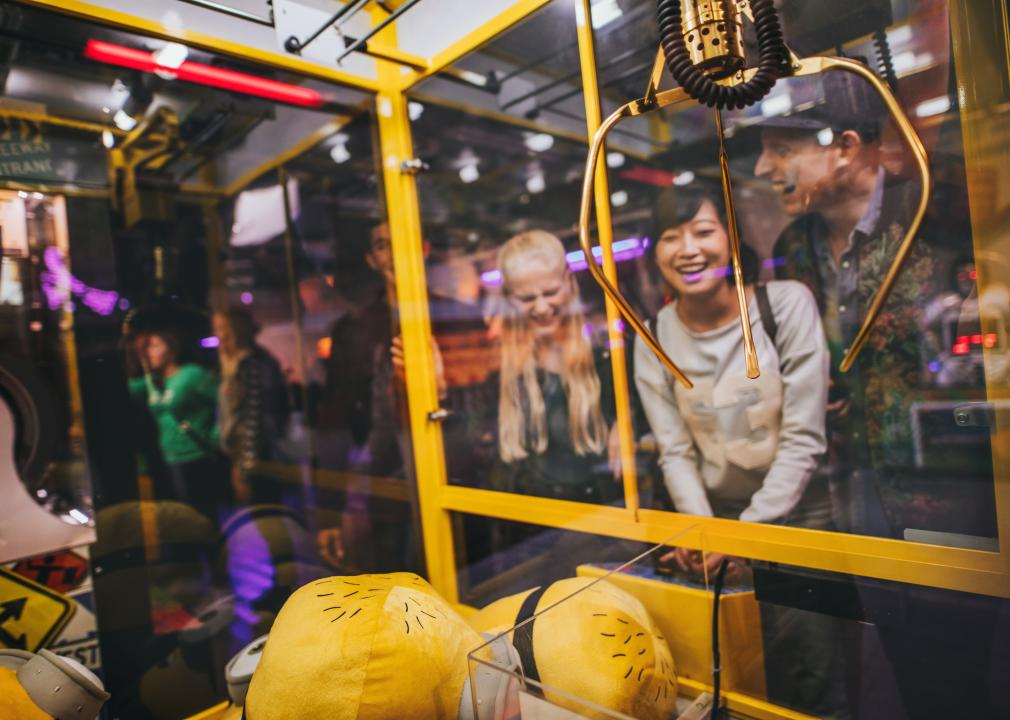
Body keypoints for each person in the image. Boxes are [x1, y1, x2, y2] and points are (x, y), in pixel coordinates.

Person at [633, 182, 848, 718]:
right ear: (654, 252)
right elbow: (675, 452)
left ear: (730, 239)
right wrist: (705, 532)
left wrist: (737, 536)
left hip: (801, 518)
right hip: (712, 522)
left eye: (703, 231)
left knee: (812, 673)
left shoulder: (786, 304)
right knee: (731, 676)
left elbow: (804, 438)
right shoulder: (652, 336)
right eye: (670, 237)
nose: (689, 249)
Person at [752, 72, 942, 538]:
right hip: (846, 490)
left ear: (845, 148)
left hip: (950, 485)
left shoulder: (935, 214)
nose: (762, 168)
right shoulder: (792, 246)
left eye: (782, 150)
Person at [128, 329, 229, 524]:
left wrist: (217, 436)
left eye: (155, 346)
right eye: (148, 348)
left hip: (197, 457)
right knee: (182, 520)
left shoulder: (191, 375)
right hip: (171, 460)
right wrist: (137, 355)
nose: (151, 352)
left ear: (172, 350)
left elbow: (225, 401)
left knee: (204, 518)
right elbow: (127, 387)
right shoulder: (153, 383)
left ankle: (215, 552)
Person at [213, 307, 290, 505]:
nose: (218, 335)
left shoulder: (254, 365)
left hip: (258, 459)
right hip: (244, 456)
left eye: (222, 328)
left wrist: (245, 470)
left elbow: (255, 419)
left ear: (236, 330)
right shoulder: (235, 363)